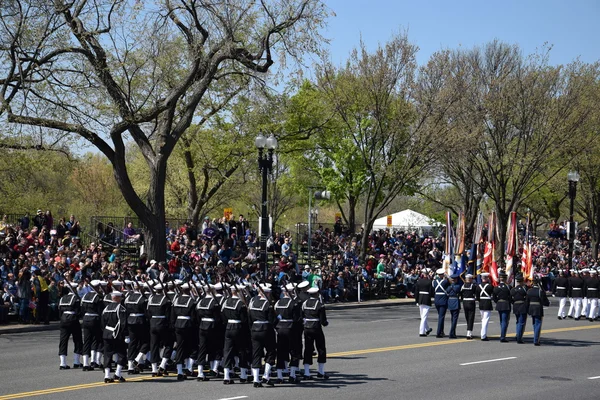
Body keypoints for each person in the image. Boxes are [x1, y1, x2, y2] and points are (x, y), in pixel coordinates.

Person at [221, 284, 250, 384]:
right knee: (242, 350)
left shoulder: (226, 301)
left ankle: (226, 376)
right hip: (238, 328)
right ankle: (243, 375)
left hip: (228, 327)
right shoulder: (240, 304)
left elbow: (223, 316)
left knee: (227, 351)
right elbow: (244, 319)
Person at [248, 284, 277, 388]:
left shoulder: (252, 302)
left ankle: (256, 379)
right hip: (266, 329)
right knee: (271, 351)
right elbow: (271, 320)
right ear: (267, 293)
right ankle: (266, 375)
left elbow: (249, 317)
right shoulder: (268, 303)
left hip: (254, 329)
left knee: (256, 354)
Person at [274, 283, 302, 384]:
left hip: (280, 328)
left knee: (281, 352)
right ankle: (292, 375)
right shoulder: (293, 303)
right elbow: (296, 319)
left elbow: (275, 317)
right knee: (294, 351)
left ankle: (280, 376)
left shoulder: (278, 303)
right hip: (290, 328)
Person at [195, 283, 224, 381]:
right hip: (212, 327)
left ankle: (200, 372)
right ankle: (214, 368)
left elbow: (197, 315)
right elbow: (218, 317)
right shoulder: (214, 302)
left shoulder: (201, 301)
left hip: (202, 327)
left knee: (202, 349)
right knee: (216, 348)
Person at [171, 283, 197, 381]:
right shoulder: (191, 301)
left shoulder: (176, 300)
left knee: (180, 348)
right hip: (188, 325)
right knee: (192, 347)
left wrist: (173, 326)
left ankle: (180, 372)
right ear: (189, 290)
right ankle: (188, 368)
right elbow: (194, 317)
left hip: (178, 325)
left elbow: (172, 315)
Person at [302, 287, 329, 380]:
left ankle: (306, 372)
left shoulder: (304, 303)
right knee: (321, 348)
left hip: (307, 328)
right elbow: (323, 321)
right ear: (317, 294)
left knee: (308, 349)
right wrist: (326, 323)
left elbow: (302, 315)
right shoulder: (320, 305)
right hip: (316, 327)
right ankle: (321, 371)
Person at [147, 283, 174, 377]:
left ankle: (154, 369)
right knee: (169, 344)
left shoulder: (151, 299)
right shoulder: (166, 300)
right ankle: (162, 365)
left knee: (154, 346)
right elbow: (168, 315)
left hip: (152, 323)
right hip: (162, 324)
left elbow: (148, 312)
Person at [101, 290, 128, 383]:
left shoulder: (106, 308)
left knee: (107, 354)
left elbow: (102, 323)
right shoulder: (121, 308)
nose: (121, 299)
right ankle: (117, 373)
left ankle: (107, 375)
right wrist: (126, 335)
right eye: (120, 297)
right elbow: (123, 323)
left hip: (106, 333)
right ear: (117, 298)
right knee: (122, 354)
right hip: (116, 334)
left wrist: (105, 332)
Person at [124, 281, 149, 374]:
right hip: (140, 321)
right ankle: (138, 359)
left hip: (130, 321)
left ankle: (131, 366)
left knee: (132, 343)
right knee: (145, 342)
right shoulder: (143, 299)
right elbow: (146, 312)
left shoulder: (128, 297)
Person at [58, 281, 83, 369]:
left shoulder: (63, 298)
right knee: (77, 340)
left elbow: (60, 311)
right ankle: (76, 361)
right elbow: (78, 311)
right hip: (72, 319)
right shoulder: (76, 298)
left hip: (63, 319)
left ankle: (62, 363)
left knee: (63, 341)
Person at [80, 280, 104, 371]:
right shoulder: (98, 297)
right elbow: (100, 310)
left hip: (86, 319)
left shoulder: (85, 296)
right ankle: (96, 361)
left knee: (86, 341)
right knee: (97, 340)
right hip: (95, 319)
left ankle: (86, 363)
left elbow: (82, 309)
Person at [526, 279, 550, 346]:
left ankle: (535, 337)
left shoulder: (529, 291)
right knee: (538, 324)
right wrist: (547, 303)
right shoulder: (540, 291)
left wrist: (527, 309)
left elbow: (527, 301)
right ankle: (536, 340)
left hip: (531, 308)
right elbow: (544, 301)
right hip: (538, 308)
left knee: (534, 324)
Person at [493, 270, 512, 342]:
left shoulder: (496, 287)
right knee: (505, 321)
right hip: (506, 304)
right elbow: (510, 297)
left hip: (499, 304)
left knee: (501, 321)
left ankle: (502, 334)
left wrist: (498, 302)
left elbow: (494, 298)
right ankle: (503, 336)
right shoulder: (508, 287)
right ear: (505, 278)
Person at [415, 268, 433, 337]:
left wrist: (416, 300)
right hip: (426, 299)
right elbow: (431, 292)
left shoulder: (419, 281)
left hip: (420, 299)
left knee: (422, 316)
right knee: (424, 317)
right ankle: (421, 332)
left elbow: (416, 292)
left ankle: (427, 329)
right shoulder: (429, 282)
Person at [475, 272, 493, 341]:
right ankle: (483, 335)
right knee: (485, 320)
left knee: (483, 319)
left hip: (481, 303)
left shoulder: (478, 286)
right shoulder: (490, 286)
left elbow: (477, 297)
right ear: (487, 278)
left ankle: (483, 334)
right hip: (487, 303)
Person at [511, 273, 528, 344]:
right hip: (522, 306)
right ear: (522, 281)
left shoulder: (513, 289)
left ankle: (517, 334)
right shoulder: (525, 289)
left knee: (518, 321)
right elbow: (527, 298)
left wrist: (514, 303)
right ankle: (519, 338)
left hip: (515, 306)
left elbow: (510, 298)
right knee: (521, 322)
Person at [432, 268, 449, 338]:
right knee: (441, 317)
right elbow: (451, 282)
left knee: (440, 316)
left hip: (437, 300)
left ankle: (441, 331)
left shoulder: (434, 282)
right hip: (443, 301)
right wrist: (447, 276)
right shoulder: (445, 282)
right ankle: (439, 332)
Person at [460, 274, 476, 340]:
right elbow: (476, 293)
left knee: (467, 317)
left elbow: (461, 294)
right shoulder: (473, 285)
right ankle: (469, 333)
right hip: (471, 302)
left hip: (464, 302)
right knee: (471, 318)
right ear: (471, 279)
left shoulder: (463, 286)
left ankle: (468, 330)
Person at [447, 273, 461, 339]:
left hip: (451, 302)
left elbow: (448, 291)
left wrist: (451, 286)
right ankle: (451, 333)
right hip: (455, 302)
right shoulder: (457, 286)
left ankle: (453, 333)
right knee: (454, 319)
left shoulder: (450, 286)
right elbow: (456, 291)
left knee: (453, 319)